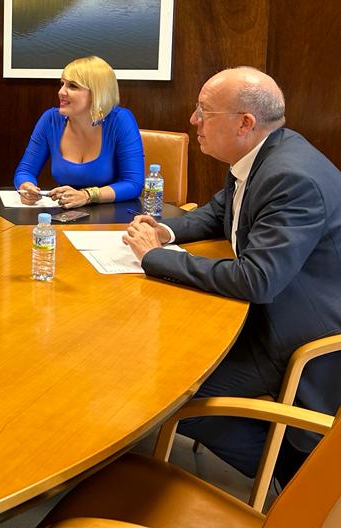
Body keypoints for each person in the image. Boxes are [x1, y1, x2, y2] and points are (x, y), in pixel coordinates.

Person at [123, 67, 341, 481]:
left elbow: (258, 279)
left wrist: (157, 258)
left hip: (294, 337)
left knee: (173, 394)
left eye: (204, 110)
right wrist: (165, 231)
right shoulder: (261, 155)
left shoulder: (291, 176)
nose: (193, 120)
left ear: (246, 123)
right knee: (166, 351)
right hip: (271, 311)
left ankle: (297, 476)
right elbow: (223, 209)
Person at [14, 55, 144, 208]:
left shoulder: (120, 120)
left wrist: (87, 195)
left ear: (97, 93)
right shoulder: (50, 120)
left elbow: (133, 184)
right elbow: (25, 171)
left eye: (73, 86)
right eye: (62, 84)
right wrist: (26, 186)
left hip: (112, 217)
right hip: (65, 213)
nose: (61, 92)